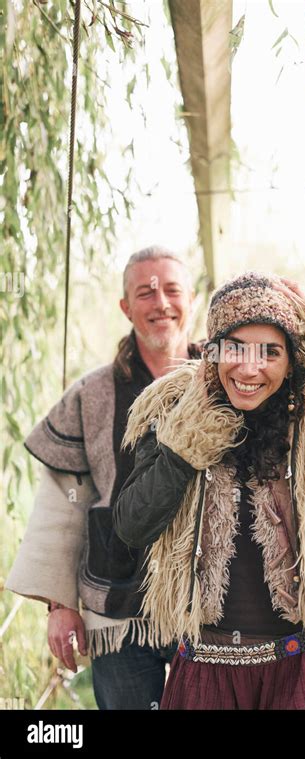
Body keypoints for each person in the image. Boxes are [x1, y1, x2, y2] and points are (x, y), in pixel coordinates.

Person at [113, 270, 305, 710]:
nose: (250, 367)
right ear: (212, 351)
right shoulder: (172, 417)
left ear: (292, 360)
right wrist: (183, 454)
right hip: (206, 670)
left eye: (270, 352)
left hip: (303, 667)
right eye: (235, 347)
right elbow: (132, 526)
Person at [5, 246, 203, 709]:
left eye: (172, 290)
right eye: (145, 292)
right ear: (125, 306)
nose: (161, 303)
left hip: (208, 605)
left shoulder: (229, 383)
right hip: (116, 607)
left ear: (191, 299)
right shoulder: (91, 394)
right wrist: (61, 605)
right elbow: (64, 501)